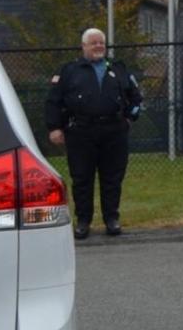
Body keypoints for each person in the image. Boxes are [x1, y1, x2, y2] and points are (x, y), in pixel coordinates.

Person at [45, 28, 143, 239]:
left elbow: (136, 98)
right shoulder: (70, 70)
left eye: (101, 43)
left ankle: (111, 219)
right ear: (84, 47)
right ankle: (83, 221)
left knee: (112, 178)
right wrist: (54, 127)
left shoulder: (119, 69)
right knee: (81, 178)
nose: (98, 46)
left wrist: (129, 117)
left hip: (114, 132)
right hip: (81, 133)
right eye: (93, 43)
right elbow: (54, 101)